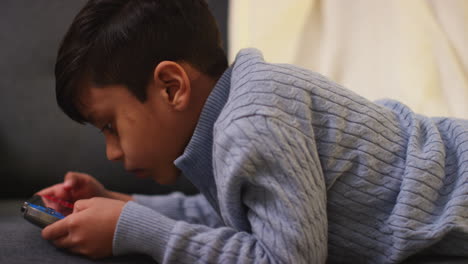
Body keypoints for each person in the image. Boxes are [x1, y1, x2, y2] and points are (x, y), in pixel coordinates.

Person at [37, 0, 468, 263]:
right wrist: (124, 204)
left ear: (171, 87)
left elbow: (286, 258)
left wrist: (139, 231)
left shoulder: (251, 123)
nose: (111, 152)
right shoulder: (235, 115)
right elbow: (243, 219)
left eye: (110, 126)